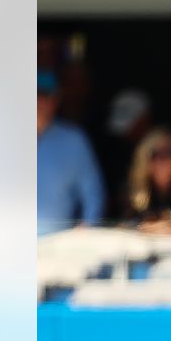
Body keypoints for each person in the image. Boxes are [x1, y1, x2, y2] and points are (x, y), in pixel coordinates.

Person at [37, 69, 105, 235]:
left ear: (56, 100)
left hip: (56, 248)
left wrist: (87, 230)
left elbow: (93, 195)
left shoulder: (74, 141)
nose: (38, 102)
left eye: (44, 95)